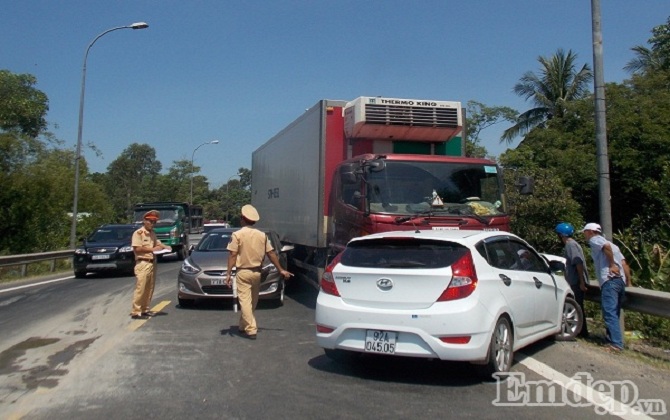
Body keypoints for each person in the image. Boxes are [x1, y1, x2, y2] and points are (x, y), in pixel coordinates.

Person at [225, 204, 293, 339]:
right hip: (257, 272)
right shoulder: (262, 235)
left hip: (243, 272)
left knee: (245, 301)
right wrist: (281, 269)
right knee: (252, 302)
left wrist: (228, 273)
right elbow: (271, 253)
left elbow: (233, 255)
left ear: (242, 218)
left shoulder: (237, 235)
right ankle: (243, 325)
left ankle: (251, 329)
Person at [581, 222, 632, 352]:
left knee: (609, 312)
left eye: (585, 232)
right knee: (614, 312)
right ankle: (612, 340)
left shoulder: (595, 240)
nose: (585, 235)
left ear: (591, 232)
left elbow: (606, 246)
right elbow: (624, 263)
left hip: (609, 280)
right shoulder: (616, 246)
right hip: (619, 280)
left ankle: (616, 344)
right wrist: (628, 281)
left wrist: (611, 265)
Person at [130, 210, 171, 320]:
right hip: (143, 262)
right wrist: (152, 249)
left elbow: (157, 243)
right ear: (144, 221)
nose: (152, 223)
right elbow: (137, 248)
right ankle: (136, 311)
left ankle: (145, 309)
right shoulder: (138, 233)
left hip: (152, 262)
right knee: (141, 288)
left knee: (149, 288)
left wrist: (165, 247)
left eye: (154, 222)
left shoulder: (152, 233)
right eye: (150, 221)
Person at [555, 222, 589, 338]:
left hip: (576, 281)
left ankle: (581, 332)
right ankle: (580, 331)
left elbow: (578, 262)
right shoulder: (572, 244)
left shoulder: (570, 245)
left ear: (560, 235)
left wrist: (581, 282)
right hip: (575, 280)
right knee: (577, 306)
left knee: (577, 307)